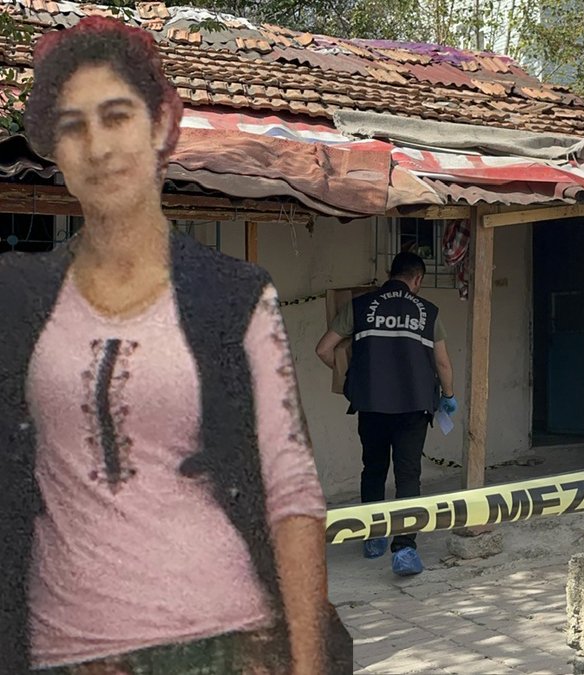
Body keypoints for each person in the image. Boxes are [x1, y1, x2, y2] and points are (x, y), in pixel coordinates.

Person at [0, 17, 351, 674]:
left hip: (226, 641)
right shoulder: (17, 298)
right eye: (73, 126)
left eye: (116, 116)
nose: (98, 146)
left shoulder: (236, 295)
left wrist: (308, 664)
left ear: (161, 124)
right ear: (52, 148)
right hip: (64, 651)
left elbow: (291, 488)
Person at [316, 252, 457, 576]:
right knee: (408, 475)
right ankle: (404, 549)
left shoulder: (360, 306)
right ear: (418, 279)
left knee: (374, 468)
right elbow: (443, 363)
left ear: (389, 273)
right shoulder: (428, 312)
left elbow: (323, 349)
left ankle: (372, 536)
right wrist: (448, 396)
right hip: (414, 406)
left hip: (372, 404)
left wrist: (350, 379)